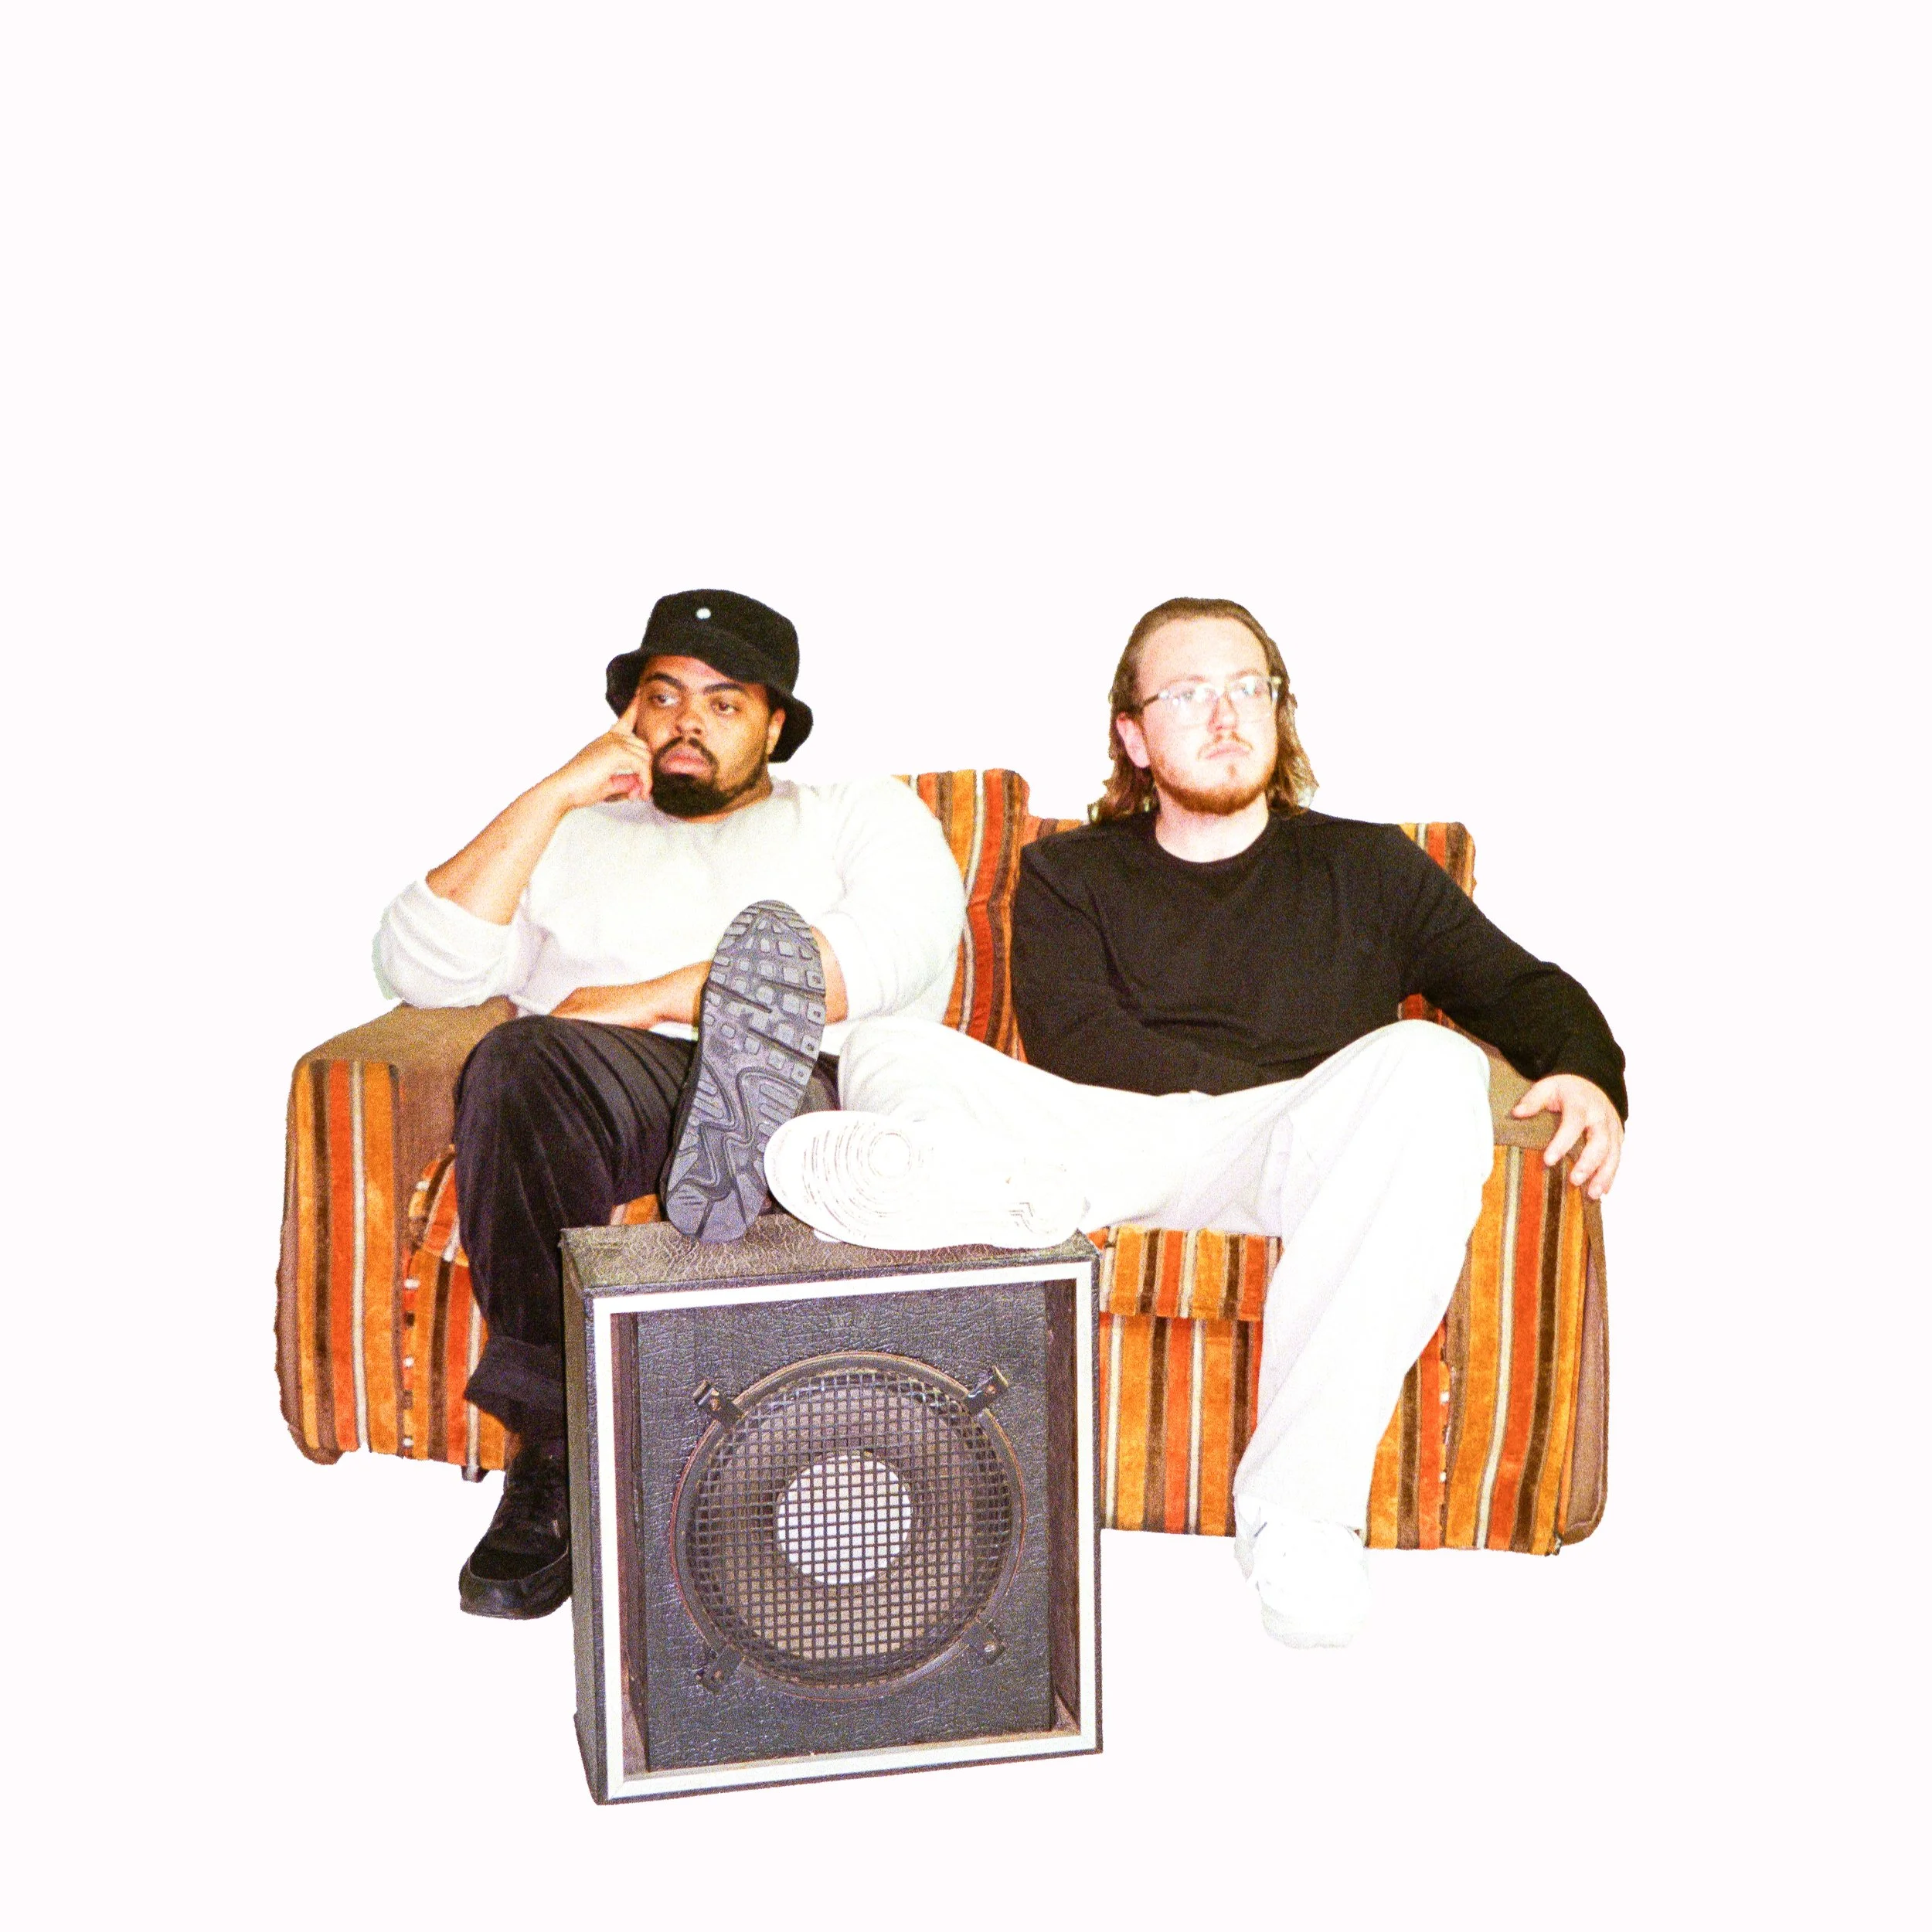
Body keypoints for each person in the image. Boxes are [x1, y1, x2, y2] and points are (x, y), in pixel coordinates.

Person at [765, 595, 1626, 1650]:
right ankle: (995, 1191)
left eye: (1248, 687)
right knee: (889, 1047)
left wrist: (1589, 1072)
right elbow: (1081, 1043)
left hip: (1290, 1150)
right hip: (1111, 1128)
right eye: (1186, 694)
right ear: (1133, 735)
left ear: (1279, 709)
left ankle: (1298, 1513)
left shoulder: (1374, 867)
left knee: (1434, 1065)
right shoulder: (1069, 872)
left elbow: (1523, 988)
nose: (1225, 715)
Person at [375, 589, 965, 1619]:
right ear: (629, 712)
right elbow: (419, 967)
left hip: (801, 1078)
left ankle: (738, 1144)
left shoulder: (853, 810)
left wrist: (646, 998)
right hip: (597, 1088)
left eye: (725, 703)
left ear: (775, 726)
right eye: (664, 696)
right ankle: (557, 1446)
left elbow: (893, 948)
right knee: (521, 1061)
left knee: (765, 1059)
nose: (688, 721)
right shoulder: (574, 833)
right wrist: (556, 792)